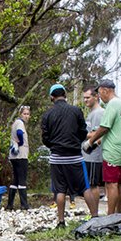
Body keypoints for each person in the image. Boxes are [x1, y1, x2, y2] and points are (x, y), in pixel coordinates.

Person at [40, 83, 87, 228]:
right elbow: (83, 131)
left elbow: (45, 138)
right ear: (65, 95)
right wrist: (76, 142)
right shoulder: (76, 111)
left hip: (57, 156)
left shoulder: (47, 115)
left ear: (51, 97)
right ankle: (95, 218)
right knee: (85, 188)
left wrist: (54, 146)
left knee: (60, 190)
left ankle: (61, 221)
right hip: (74, 156)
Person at [85, 78, 121, 215]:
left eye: (100, 93)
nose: (100, 96)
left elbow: (104, 127)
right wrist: (98, 141)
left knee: (111, 184)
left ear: (105, 90)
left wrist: (90, 141)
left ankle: (110, 217)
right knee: (120, 184)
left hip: (112, 150)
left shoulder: (112, 105)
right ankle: (119, 214)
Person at [80, 85, 103, 217]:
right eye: (84, 98)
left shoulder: (99, 113)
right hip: (87, 155)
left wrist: (81, 133)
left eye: (88, 97)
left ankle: (95, 215)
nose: (85, 100)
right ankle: (93, 213)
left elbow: (99, 133)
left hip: (94, 155)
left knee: (93, 185)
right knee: (88, 185)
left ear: (96, 97)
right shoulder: (92, 113)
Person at [7, 105, 31, 210]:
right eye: (24, 114)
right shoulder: (20, 123)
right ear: (20, 114)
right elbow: (19, 133)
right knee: (22, 179)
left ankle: (10, 204)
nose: (26, 116)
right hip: (21, 155)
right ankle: (24, 204)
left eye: (28, 114)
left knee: (15, 179)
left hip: (13, 156)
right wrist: (21, 142)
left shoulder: (15, 123)